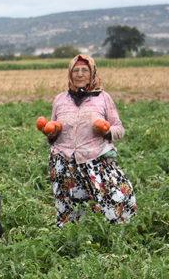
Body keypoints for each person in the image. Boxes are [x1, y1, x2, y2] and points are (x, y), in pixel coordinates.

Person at [43, 54, 136, 226]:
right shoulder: (60, 100)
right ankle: (72, 241)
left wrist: (106, 131)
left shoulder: (103, 98)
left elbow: (119, 128)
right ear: (70, 74)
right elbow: (53, 129)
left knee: (115, 196)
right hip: (64, 161)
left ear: (92, 73)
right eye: (75, 70)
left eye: (84, 70)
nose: (79, 74)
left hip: (96, 159)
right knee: (70, 206)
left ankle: (116, 232)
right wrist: (51, 131)